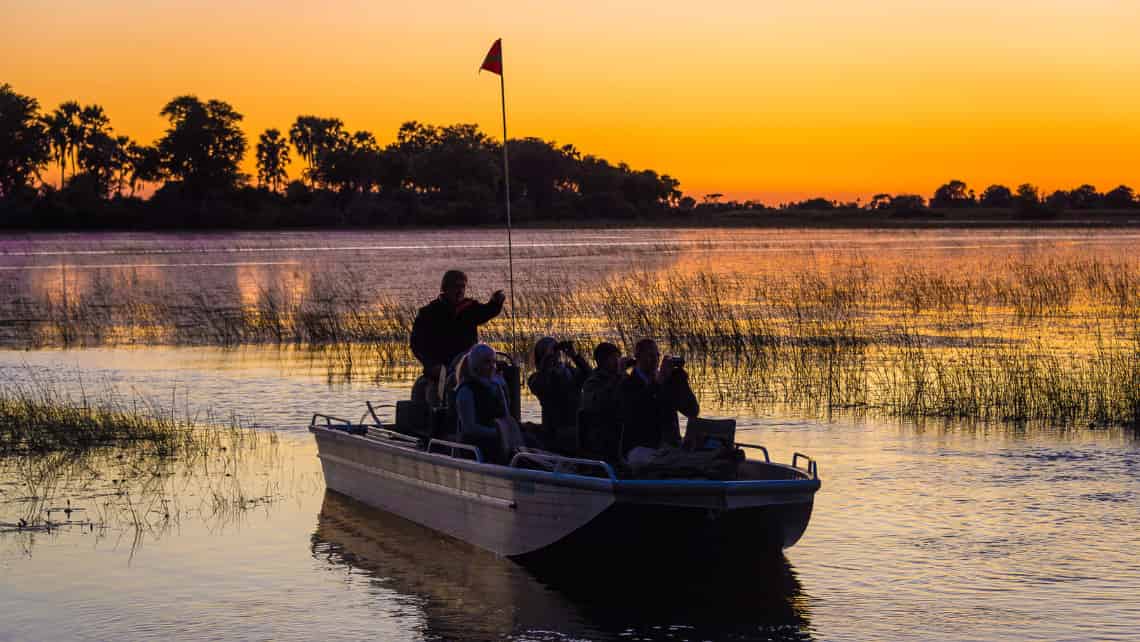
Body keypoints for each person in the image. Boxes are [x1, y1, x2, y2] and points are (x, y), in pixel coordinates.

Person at [410, 270, 505, 403]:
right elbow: (416, 344)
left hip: (467, 367)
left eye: (462, 286)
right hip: (440, 368)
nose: (460, 290)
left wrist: (496, 302)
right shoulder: (429, 312)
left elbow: (487, 312)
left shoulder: (470, 307)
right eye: (456, 286)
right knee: (435, 398)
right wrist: (431, 364)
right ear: (445, 288)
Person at [618, 338, 699, 464]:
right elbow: (640, 410)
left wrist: (680, 381)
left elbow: (692, 411)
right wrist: (659, 382)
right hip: (639, 448)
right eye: (650, 355)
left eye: (657, 355)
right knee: (668, 460)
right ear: (638, 357)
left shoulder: (666, 381)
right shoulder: (627, 383)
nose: (655, 359)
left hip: (668, 446)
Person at [454, 343, 526, 464]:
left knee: (530, 441)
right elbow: (469, 428)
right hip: (478, 445)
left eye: (493, 362)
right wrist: (499, 433)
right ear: (476, 365)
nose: (492, 366)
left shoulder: (496, 386)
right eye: (487, 362)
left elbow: (505, 415)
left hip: (500, 441)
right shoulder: (466, 391)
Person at [527, 337, 591, 451]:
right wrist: (546, 362)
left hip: (577, 427)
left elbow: (589, 376)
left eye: (556, 350)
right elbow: (542, 384)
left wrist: (574, 355)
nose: (556, 354)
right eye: (551, 351)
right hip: (555, 431)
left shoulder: (569, 370)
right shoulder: (536, 378)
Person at [579, 342, 635, 460]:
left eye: (618, 358)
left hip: (623, 433)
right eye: (613, 359)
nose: (617, 362)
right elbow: (600, 401)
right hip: (603, 438)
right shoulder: (593, 381)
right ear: (602, 361)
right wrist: (618, 376)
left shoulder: (623, 377)